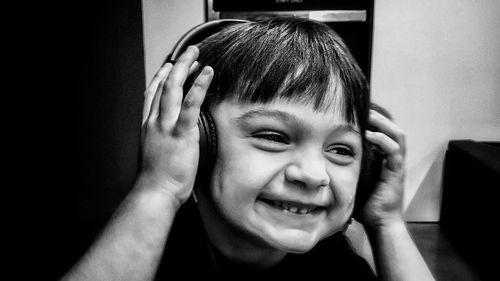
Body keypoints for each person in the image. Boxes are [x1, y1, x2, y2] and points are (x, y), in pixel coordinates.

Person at [61, 17, 435, 281]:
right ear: (199, 141)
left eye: (341, 150)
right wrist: (157, 191)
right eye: (273, 137)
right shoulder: (136, 249)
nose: (313, 175)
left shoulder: (336, 264)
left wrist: (388, 223)